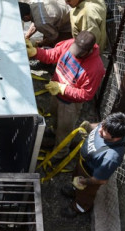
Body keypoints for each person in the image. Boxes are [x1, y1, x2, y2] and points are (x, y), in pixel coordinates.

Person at [27, 31, 105, 159]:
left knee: (65, 130)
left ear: (89, 51)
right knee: (54, 116)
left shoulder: (95, 68)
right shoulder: (69, 44)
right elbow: (53, 54)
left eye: (79, 54)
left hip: (69, 104)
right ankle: (53, 132)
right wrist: (36, 52)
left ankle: (60, 154)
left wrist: (63, 89)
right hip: (55, 91)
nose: (74, 54)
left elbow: (86, 94)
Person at [60, 112, 125, 216]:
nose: (100, 130)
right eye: (102, 125)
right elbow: (99, 126)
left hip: (90, 176)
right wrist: (89, 126)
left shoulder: (111, 157)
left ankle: (79, 208)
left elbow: (101, 179)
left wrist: (84, 181)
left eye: (104, 132)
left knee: (85, 195)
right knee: (75, 180)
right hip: (82, 164)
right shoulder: (107, 126)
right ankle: (74, 190)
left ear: (116, 138)